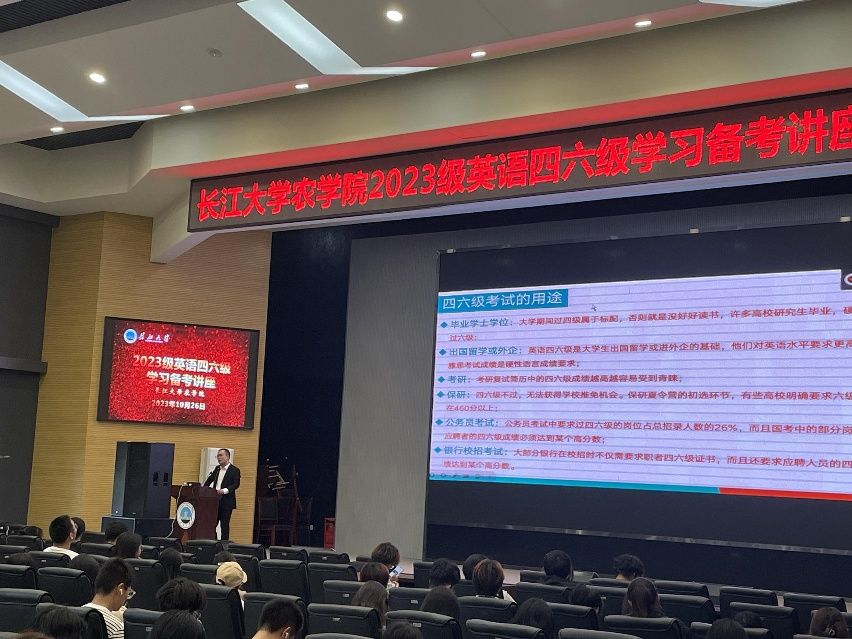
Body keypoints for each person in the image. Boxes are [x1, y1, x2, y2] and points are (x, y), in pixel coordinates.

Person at [83, 557, 134, 639]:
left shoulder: (78, 614)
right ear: (120, 588)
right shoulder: (116, 628)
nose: (127, 598)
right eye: (129, 592)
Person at [203, 448, 241, 541]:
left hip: (227, 501)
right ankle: (213, 543)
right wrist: (204, 489)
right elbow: (209, 480)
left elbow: (236, 484)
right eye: (217, 456)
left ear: (227, 457)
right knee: (212, 524)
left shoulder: (234, 470)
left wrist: (224, 491)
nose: (218, 458)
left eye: (220, 455)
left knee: (224, 525)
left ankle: (224, 545)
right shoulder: (217, 469)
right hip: (215, 501)